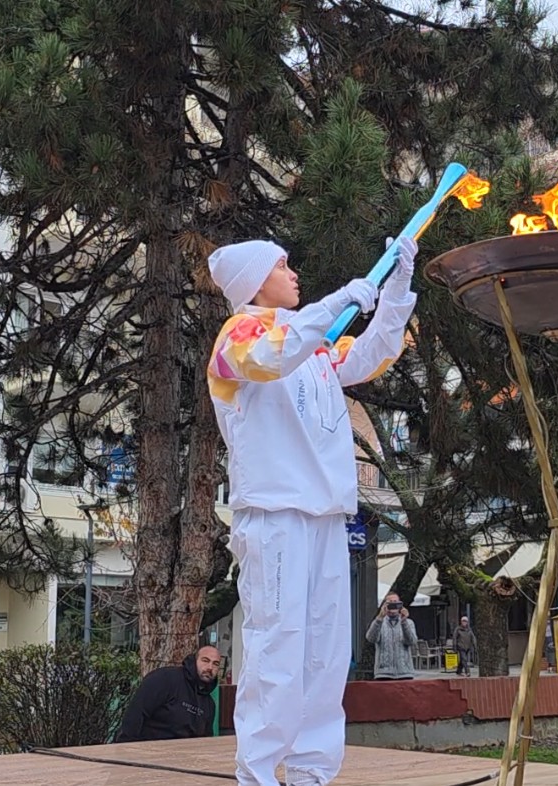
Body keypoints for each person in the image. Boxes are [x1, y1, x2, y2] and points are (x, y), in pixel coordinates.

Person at [207, 236, 418, 786]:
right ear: (254, 284)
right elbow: (273, 355)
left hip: (327, 517)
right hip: (273, 516)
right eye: (283, 265)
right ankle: (256, 773)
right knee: (277, 648)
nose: (294, 273)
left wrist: (395, 287)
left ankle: (310, 772)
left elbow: (373, 354)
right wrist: (337, 301)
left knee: (324, 654)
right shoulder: (238, 338)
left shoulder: (317, 349)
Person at [115, 646, 222, 743]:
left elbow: (206, 740)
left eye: (215, 664)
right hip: (148, 751)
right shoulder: (165, 679)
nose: (210, 667)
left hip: (185, 758)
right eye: (205, 661)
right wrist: (127, 749)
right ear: (195, 660)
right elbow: (136, 714)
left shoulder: (209, 704)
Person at [366, 593, 418, 680]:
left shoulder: (409, 622)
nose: (393, 606)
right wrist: (379, 618)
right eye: (390, 603)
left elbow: (412, 641)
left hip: (405, 673)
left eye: (395, 603)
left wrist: (404, 622)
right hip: (383, 674)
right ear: (385, 605)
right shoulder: (378, 622)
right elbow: (371, 639)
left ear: (400, 605)